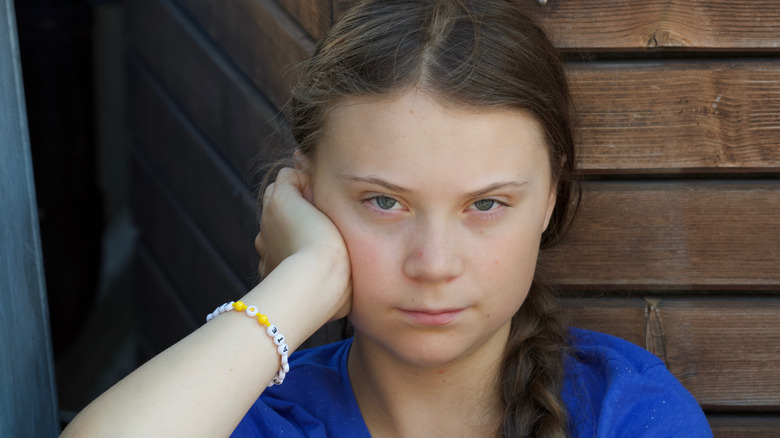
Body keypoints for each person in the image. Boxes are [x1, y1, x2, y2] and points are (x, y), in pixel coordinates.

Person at [61, 1, 714, 437]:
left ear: (549, 198)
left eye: (485, 205)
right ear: (308, 196)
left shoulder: (623, 413)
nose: (433, 264)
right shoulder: (247, 416)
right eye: (384, 202)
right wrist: (300, 283)